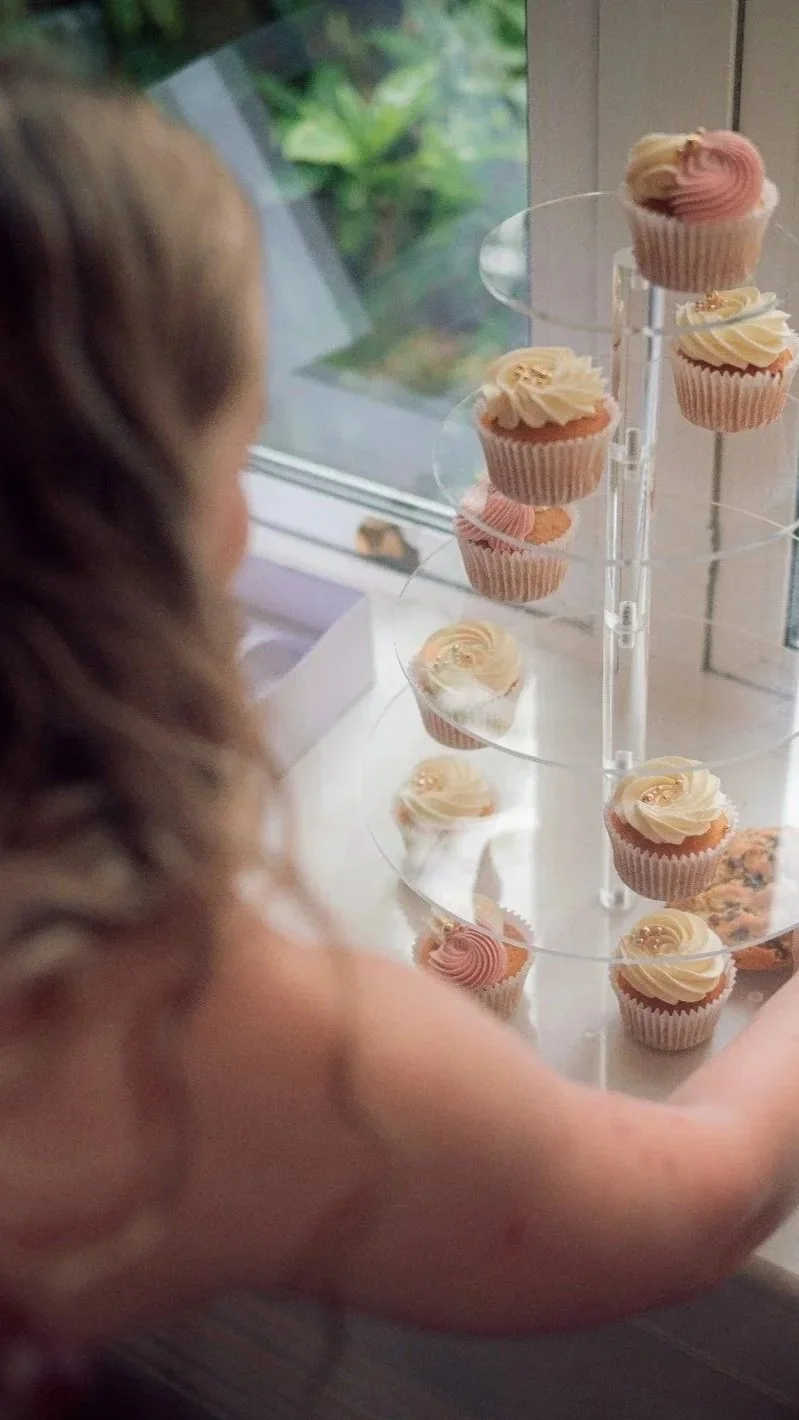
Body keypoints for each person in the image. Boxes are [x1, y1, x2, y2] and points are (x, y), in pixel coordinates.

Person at [1, 49, 799, 1405]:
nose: (250, 519)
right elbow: (684, 1205)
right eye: (235, 456)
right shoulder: (159, 1019)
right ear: (115, 539)